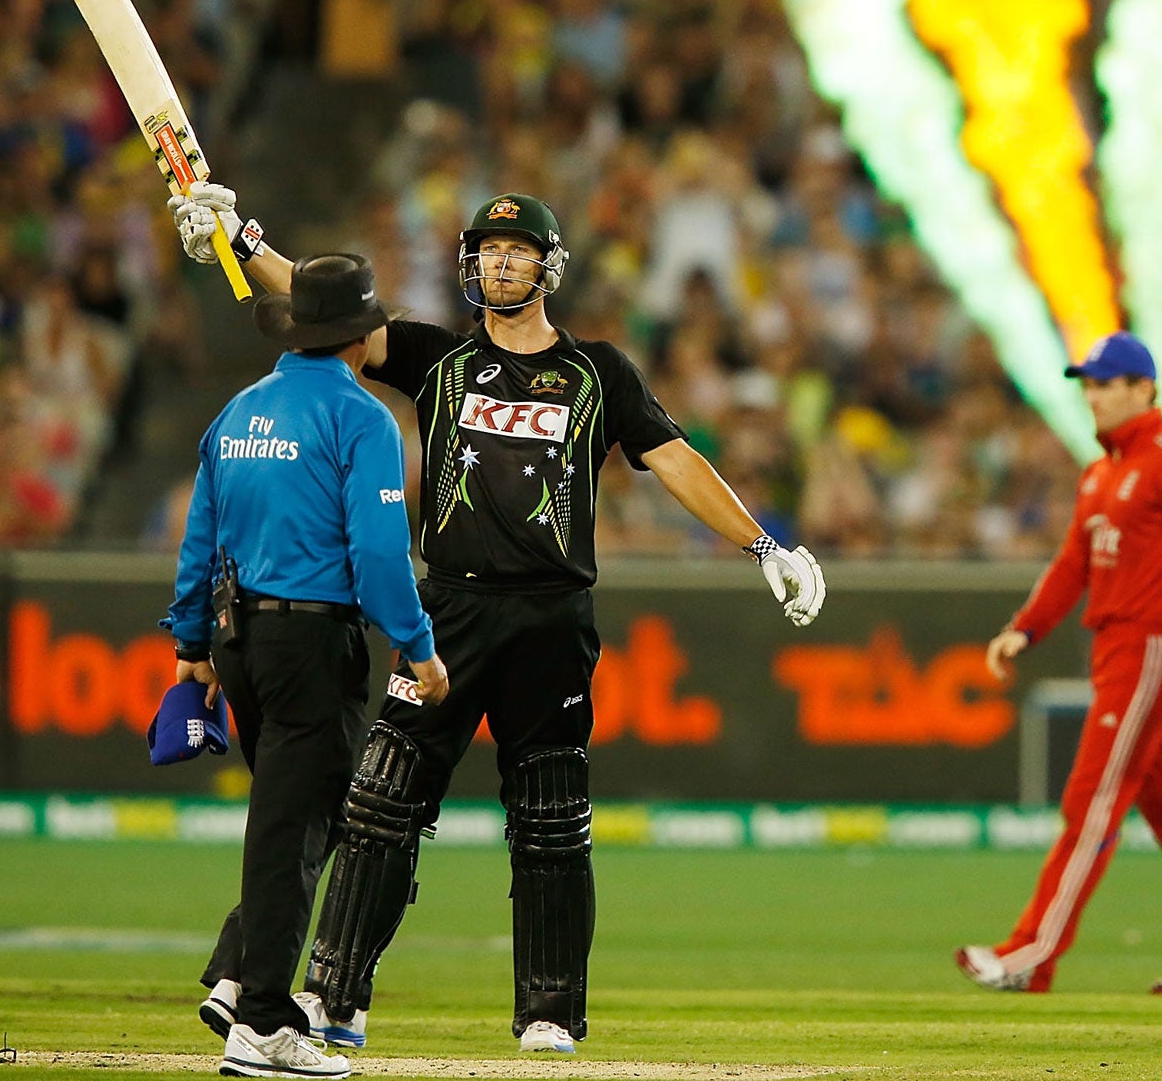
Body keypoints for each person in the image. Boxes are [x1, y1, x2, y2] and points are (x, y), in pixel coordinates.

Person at [170, 183, 825, 1056]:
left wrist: (762, 547)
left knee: (551, 821)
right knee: (377, 803)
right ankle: (332, 994)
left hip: (552, 617)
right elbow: (317, 306)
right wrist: (236, 238)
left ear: (549, 266)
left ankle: (548, 1013)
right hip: (449, 610)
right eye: (485, 250)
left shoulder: (598, 373)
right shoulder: (434, 357)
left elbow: (673, 459)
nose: (500, 262)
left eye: (516, 250)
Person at [164, 252, 451, 1080]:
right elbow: (377, 550)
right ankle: (262, 1024)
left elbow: (200, 541)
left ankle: (241, 984)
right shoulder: (361, 420)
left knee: (289, 822)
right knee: (295, 835)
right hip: (313, 646)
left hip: (239, 641)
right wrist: (419, 646)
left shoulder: (239, 410)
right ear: (361, 337)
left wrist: (191, 647)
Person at [954, 332, 1162, 997]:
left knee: (1090, 801)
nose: (1092, 397)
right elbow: (1073, 565)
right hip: (1119, 649)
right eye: (1088, 385)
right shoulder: (1101, 473)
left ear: (1144, 388)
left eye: (1105, 383)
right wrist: (1026, 627)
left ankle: (1031, 952)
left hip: (1151, 646)